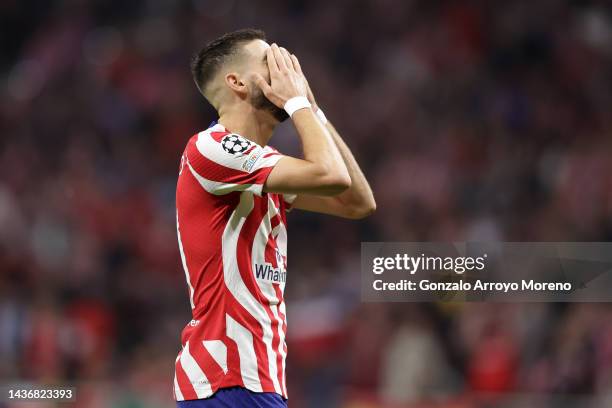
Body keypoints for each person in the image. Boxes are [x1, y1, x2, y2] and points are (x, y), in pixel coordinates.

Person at [174, 28, 376, 407]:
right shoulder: (212, 148)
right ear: (235, 82)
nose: (287, 74)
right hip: (227, 380)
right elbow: (330, 175)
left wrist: (313, 108)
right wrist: (299, 105)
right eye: (271, 64)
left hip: (254, 380)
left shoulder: (260, 170)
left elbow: (357, 202)